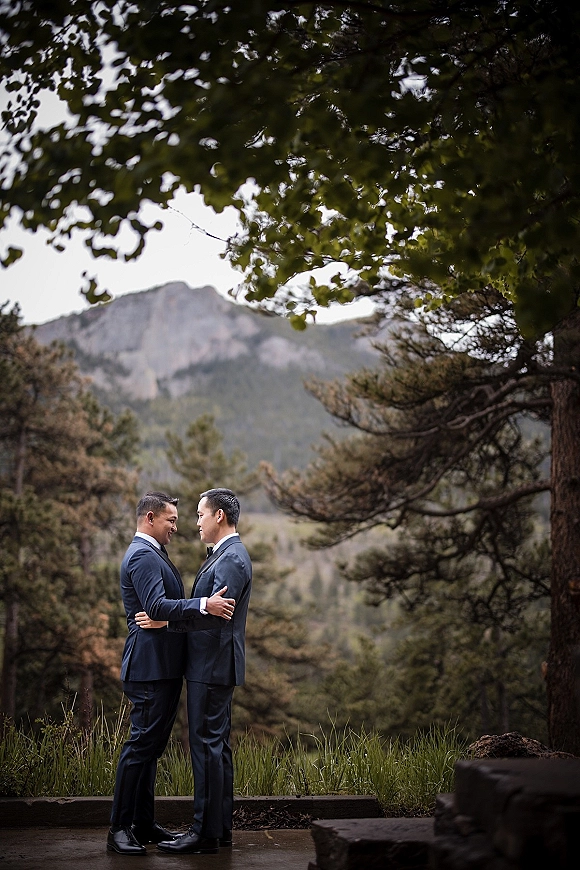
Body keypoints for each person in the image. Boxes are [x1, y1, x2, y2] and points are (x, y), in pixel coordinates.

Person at [107, 491, 235, 856]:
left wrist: (165, 616)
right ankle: (118, 828)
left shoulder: (153, 553)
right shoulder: (144, 556)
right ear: (150, 518)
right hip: (149, 668)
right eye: (171, 520)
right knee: (140, 747)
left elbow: (158, 611)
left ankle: (143, 823)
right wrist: (203, 605)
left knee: (151, 748)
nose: (176, 527)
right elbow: (155, 605)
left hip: (161, 666)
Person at [135, 487, 252, 855]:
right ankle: (219, 831)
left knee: (205, 748)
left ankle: (204, 832)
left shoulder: (231, 559)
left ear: (219, 516)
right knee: (215, 749)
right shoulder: (225, 554)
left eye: (201, 515)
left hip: (212, 666)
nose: (196, 523)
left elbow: (218, 618)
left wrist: (167, 626)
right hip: (212, 665)